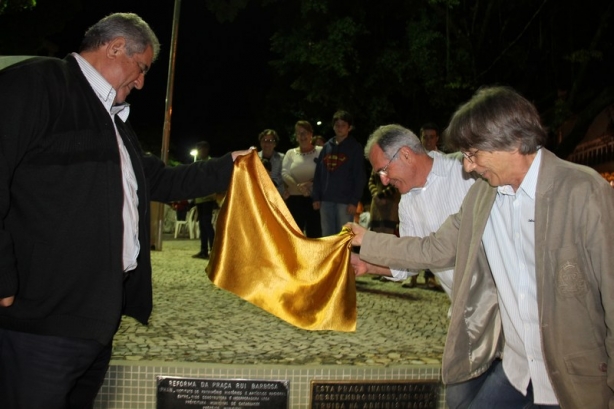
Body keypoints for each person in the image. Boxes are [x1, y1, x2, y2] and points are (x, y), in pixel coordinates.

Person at [0, 13, 253, 408]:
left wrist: (229, 166)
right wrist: (3, 279)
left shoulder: (113, 123)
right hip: (40, 325)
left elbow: (162, 180)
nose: (141, 82)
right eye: (141, 68)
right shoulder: (38, 83)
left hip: (95, 324)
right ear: (115, 46)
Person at [347, 86, 614, 409]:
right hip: (517, 369)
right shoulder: (482, 196)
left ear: (511, 142)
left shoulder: (583, 191)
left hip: (571, 379)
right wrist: (367, 241)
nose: (468, 167)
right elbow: (434, 249)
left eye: (473, 154)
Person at [353, 124, 475, 297]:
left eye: (384, 171)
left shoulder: (466, 169)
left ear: (406, 155)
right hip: (463, 308)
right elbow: (410, 261)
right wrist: (366, 265)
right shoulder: (406, 204)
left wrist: (367, 239)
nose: (385, 181)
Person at [312, 110, 366, 236]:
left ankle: (345, 257)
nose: (340, 128)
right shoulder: (327, 147)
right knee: (327, 236)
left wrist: (354, 201)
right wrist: (316, 196)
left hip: (345, 202)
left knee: (344, 236)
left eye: (343, 125)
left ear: (349, 128)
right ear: (333, 126)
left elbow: (360, 176)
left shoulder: (355, 148)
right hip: (326, 201)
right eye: (337, 125)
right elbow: (319, 173)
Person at [403, 122, 442, 289]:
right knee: (413, 239)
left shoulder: (443, 159)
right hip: (415, 205)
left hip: (435, 206)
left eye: (431, 137)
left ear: (437, 138)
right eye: (425, 137)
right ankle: (411, 275)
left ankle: (430, 276)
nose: (428, 140)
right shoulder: (412, 157)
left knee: (432, 241)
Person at [282, 120, 322, 237]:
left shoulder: (320, 151)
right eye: (299, 133)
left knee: (315, 235)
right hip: (295, 200)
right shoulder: (290, 153)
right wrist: (299, 187)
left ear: (311, 134)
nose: (302, 136)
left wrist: (309, 184)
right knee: (294, 235)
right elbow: (284, 173)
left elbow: (324, 172)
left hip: (315, 199)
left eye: (305, 132)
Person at [192, 141, 219, 259]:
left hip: (208, 197)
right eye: (200, 149)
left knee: (207, 223)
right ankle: (203, 250)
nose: (201, 151)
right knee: (202, 225)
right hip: (199, 198)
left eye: (203, 149)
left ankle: (214, 249)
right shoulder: (197, 164)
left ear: (207, 150)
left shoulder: (211, 163)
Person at [258, 129, 285, 197]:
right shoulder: (255, 157)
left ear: (275, 144)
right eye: (264, 140)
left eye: (270, 141)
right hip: (259, 194)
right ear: (260, 143)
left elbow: (284, 175)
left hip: (277, 195)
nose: (266, 143)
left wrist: (273, 183)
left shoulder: (282, 158)